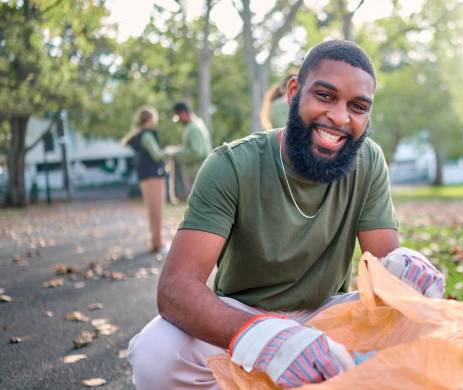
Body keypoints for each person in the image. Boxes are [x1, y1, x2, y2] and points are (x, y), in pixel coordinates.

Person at [128, 40, 445, 389]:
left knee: (419, 319)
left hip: (328, 317)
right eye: (325, 96)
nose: (340, 117)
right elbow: (176, 288)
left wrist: (404, 269)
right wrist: (258, 337)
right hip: (243, 318)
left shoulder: (368, 160)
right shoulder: (231, 164)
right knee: (155, 353)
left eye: (357, 106)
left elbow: (383, 263)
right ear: (294, 92)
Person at [121, 106, 168, 254]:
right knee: (157, 210)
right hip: (154, 175)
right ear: (149, 119)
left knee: (151, 210)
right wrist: (170, 151)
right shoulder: (147, 135)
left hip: (144, 177)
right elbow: (157, 155)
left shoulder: (138, 135)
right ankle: (158, 244)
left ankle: (155, 242)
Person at [169, 102, 212, 196]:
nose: (179, 121)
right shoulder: (196, 124)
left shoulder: (193, 128)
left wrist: (177, 154)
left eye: (178, 117)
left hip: (197, 176)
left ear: (183, 113)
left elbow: (197, 152)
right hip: (198, 174)